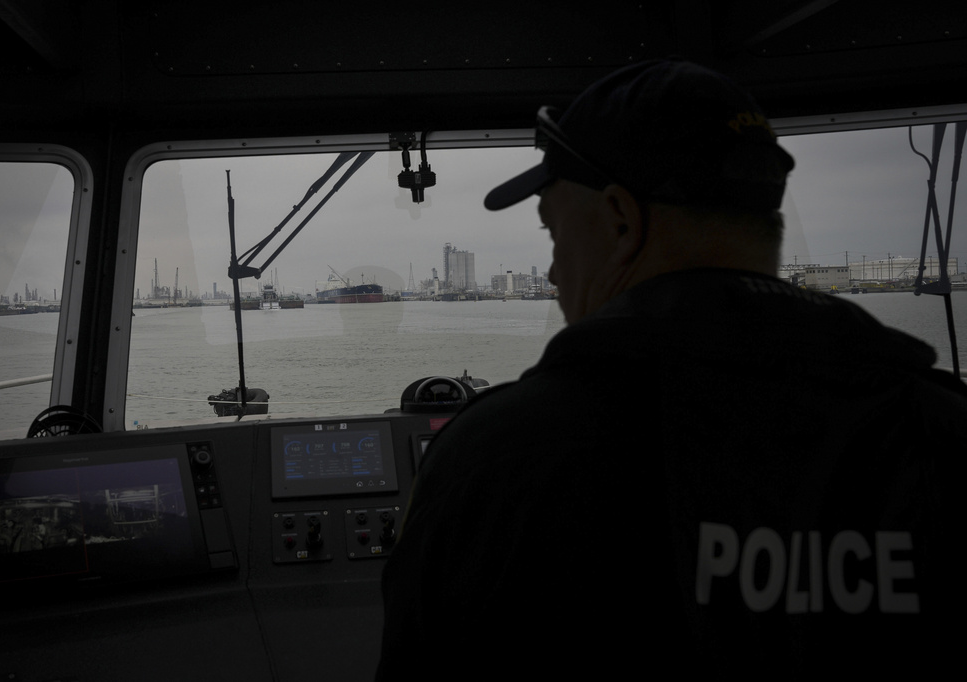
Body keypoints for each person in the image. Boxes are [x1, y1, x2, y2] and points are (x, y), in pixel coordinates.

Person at [376, 59, 965, 679]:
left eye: (553, 235)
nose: (551, 274)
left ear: (622, 222)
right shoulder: (939, 431)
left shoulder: (490, 459)